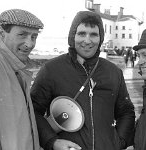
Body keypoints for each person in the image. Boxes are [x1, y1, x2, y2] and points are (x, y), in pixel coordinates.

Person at [31, 11, 135, 150]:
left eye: (93, 34)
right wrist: (52, 142)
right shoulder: (51, 70)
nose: (87, 40)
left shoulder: (113, 72)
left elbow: (126, 112)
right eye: (81, 34)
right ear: (72, 36)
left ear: (100, 38)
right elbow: (33, 112)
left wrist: (119, 141)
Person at [0, 9, 44, 150]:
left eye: (34, 37)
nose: (29, 44)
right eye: (22, 35)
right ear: (1, 33)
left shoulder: (17, 69)